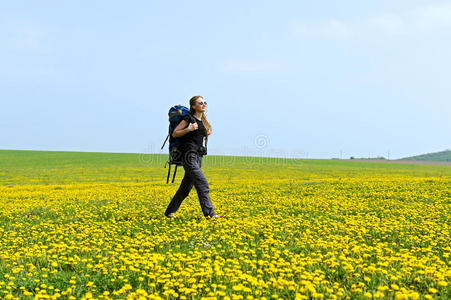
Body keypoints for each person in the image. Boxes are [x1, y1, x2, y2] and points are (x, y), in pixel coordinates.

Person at [164, 95, 224, 219]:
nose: (203, 104)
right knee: (203, 183)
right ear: (193, 106)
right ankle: (210, 214)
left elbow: (199, 138)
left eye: (204, 102)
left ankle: (169, 212)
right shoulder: (188, 118)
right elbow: (175, 133)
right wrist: (188, 129)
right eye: (200, 102)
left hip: (198, 156)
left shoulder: (202, 121)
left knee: (186, 188)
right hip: (188, 156)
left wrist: (207, 133)